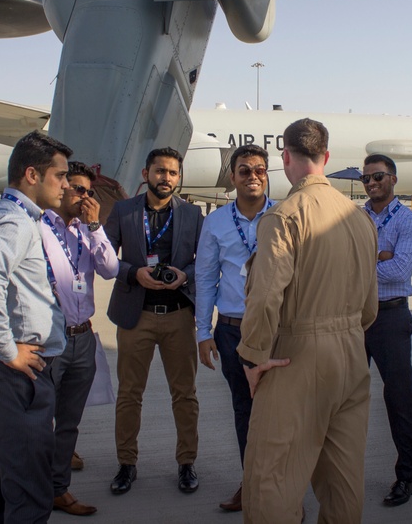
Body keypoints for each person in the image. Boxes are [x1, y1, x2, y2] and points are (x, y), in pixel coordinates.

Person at [238, 118, 378, 523]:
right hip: (352, 354)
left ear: (286, 157)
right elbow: (370, 307)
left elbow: (265, 296)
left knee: (272, 480)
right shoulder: (359, 218)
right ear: (326, 157)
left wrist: (253, 357)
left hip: (297, 356)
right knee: (343, 483)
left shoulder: (284, 217)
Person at [0, 131, 71, 523]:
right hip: (16, 374)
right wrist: (8, 348)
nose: (66, 184)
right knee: (29, 488)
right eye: (60, 175)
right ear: (31, 175)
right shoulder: (16, 224)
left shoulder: (3, 215)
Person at [104, 147, 204, 496]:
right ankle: (126, 464)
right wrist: (134, 273)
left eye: (173, 173)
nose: (167, 178)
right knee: (130, 394)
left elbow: (204, 262)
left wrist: (184, 275)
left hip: (178, 317)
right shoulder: (123, 211)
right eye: (160, 171)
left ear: (179, 177)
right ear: (146, 173)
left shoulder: (193, 214)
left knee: (185, 395)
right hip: (136, 317)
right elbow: (105, 260)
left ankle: (187, 463)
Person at [194, 144, 273, 512]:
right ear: (232, 177)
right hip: (233, 333)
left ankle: (282, 493)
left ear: (268, 174)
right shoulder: (216, 222)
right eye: (244, 170)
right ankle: (251, 485)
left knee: (280, 414)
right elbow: (206, 277)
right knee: (245, 411)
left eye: (259, 169)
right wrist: (203, 333)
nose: (252, 175)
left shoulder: (284, 216)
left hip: (277, 333)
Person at [40, 161, 118, 517]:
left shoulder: (85, 231)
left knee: (69, 421)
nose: (84, 196)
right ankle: (34, 488)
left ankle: (58, 488)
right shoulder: (38, 227)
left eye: (89, 191)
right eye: (77, 188)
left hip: (82, 337)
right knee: (38, 420)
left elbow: (110, 269)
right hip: (49, 340)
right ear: (60, 188)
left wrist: (95, 226)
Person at [361, 153, 412, 507]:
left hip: (391, 319)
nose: (371, 183)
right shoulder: (355, 218)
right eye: (366, 178)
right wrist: (378, 257)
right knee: (345, 395)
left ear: (393, 179)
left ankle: (406, 476)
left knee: (399, 398)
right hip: (357, 318)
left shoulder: (409, 221)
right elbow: (342, 262)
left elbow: (399, 271)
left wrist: (363, 266)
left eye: (378, 177)